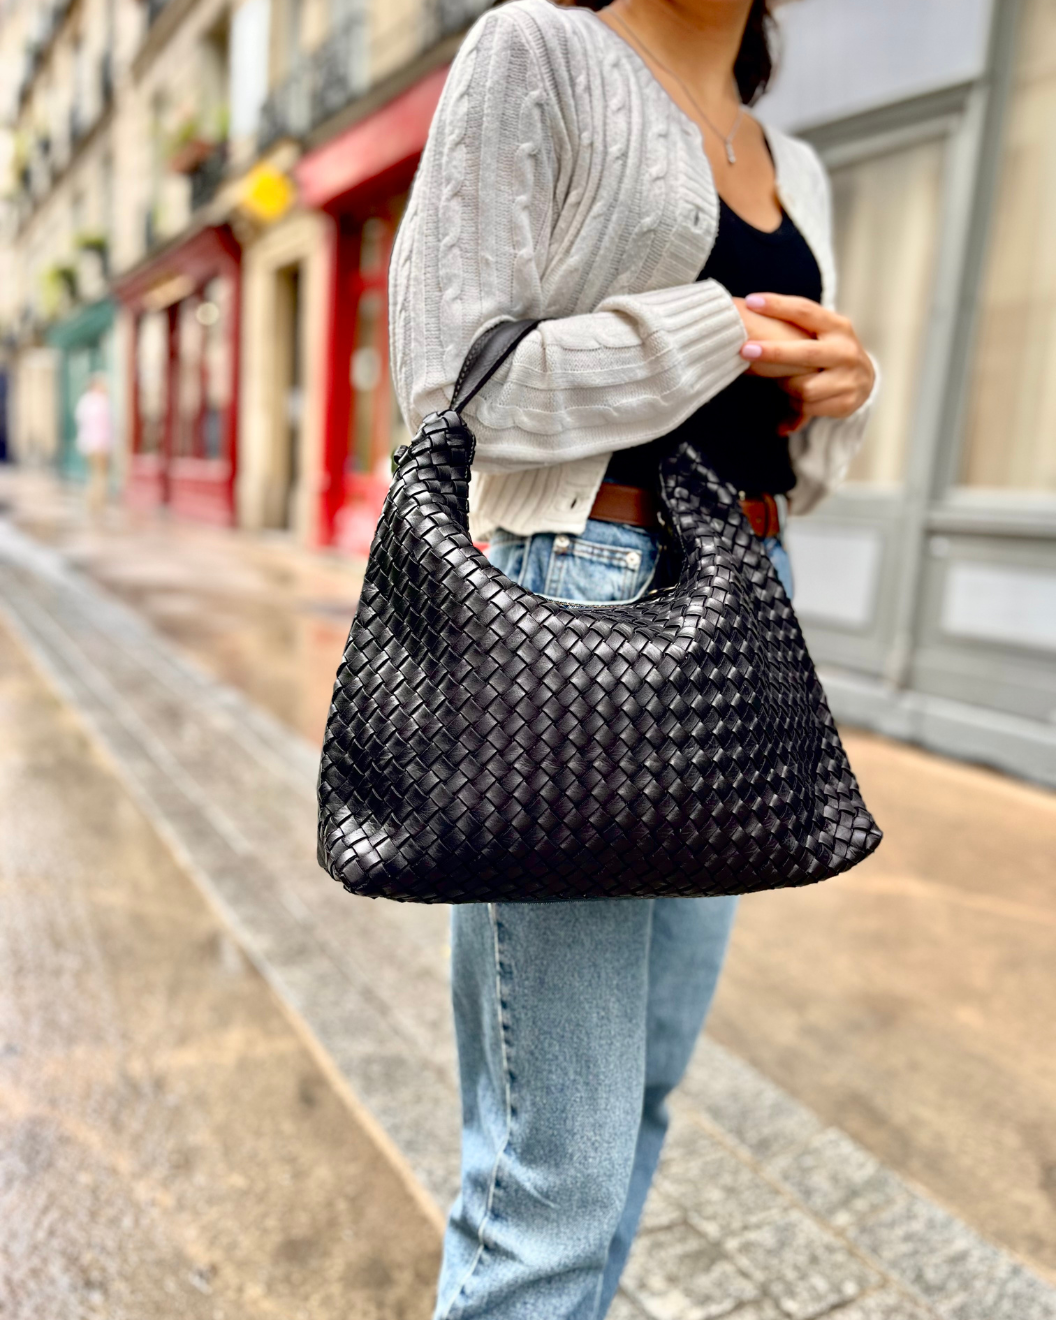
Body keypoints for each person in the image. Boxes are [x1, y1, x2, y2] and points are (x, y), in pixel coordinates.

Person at [389, 0, 877, 1314]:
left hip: (752, 604)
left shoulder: (796, 162)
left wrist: (836, 391)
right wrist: (725, 331)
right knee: (553, 1175)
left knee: (645, 1094)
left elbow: (790, 463)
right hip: (581, 602)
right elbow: (452, 384)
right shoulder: (538, 52)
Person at [75, 373, 113, 519]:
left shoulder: (84, 402)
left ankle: (91, 502)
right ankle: (98, 504)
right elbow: (106, 426)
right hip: (99, 444)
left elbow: (80, 422)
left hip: (87, 444)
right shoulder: (101, 402)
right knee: (100, 475)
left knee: (92, 474)